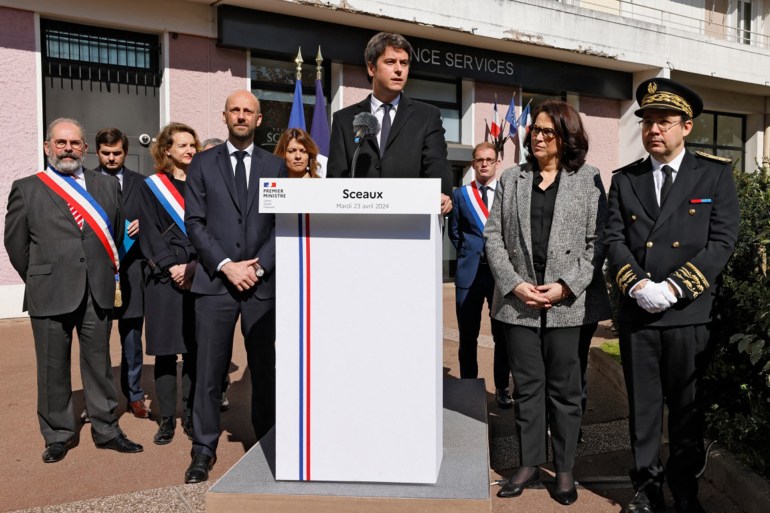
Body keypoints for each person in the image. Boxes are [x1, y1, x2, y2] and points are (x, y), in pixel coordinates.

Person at [605, 78, 739, 513]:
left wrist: (676, 287)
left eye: (664, 121)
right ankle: (646, 488)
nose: (654, 130)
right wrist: (640, 285)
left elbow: (721, 242)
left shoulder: (714, 174)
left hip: (689, 313)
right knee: (642, 409)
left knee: (686, 410)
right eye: (647, 122)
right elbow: (613, 239)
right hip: (639, 311)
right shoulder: (626, 180)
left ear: (687, 126)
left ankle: (685, 488)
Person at [484, 100, 611, 505]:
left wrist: (566, 286)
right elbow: (493, 237)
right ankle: (528, 462)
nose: (537, 136)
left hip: (567, 304)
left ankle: (566, 467)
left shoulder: (588, 179)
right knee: (527, 387)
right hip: (518, 302)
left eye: (547, 131)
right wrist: (514, 284)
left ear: (566, 137)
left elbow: (598, 243)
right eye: (534, 130)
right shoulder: (512, 178)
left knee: (565, 389)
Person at [4, 118, 143, 463]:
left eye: (75, 143)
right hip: (49, 290)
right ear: (48, 146)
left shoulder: (107, 186)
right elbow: (16, 244)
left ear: (85, 148)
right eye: (60, 142)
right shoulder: (27, 188)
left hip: (96, 289)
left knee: (98, 363)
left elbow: (114, 234)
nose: (68, 148)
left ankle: (107, 428)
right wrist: (39, 275)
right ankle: (58, 434)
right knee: (52, 367)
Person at [183, 90, 287, 483]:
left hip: (261, 286)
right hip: (215, 286)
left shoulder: (276, 166)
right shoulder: (203, 164)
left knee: (265, 369)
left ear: (259, 120)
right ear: (225, 116)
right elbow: (194, 222)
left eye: (249, 111)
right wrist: (227, 266)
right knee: (209, 371)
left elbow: (283, 223)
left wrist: (258, 268)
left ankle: (269, 440)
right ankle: (203, 448)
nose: (242, 116)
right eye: (235, 110)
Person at [327, 32, 453, 214]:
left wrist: (441, 193)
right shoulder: (344, 119)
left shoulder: (427, 116)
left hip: (411, 222)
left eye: (404, 63)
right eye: (390, 62)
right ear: (371, 68)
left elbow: (437, 163)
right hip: (358, 224)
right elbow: (336, 178)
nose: (399, 69)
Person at [139, 122, 200, 445]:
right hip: (163, 280)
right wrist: (171, 266)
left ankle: (190, 415)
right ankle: (166, 419)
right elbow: (148, 231)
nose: (190, 150)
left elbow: (210, 231)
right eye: (183, 145)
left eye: (193, 145)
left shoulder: (204, 184)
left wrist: (191, 266)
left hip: (197, 275)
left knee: (193, 351)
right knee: (164, 353)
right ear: (167, 151)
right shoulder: (152, 187)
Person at [449, 142, 512, 409]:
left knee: (503, 336)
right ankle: (467, 389)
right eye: (479, 160)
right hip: (469, 275)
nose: (484, 164)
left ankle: (502, 389)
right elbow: (455, 233)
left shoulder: (509, 193)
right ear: (473, 164)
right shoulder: (460, 195)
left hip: (500, 275)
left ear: (498, 163)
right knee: (468, 336)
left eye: (489, 159)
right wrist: (468, 254)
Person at [94, 127, 150, 419]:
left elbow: (156, 220)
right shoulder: (83, 184)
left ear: (125, 152)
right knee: (96, 343)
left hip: (132, 273)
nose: (112, 158)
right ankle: (99, 401)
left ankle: (135, 396)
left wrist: (144, 224)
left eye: (117, 153)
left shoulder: (142, 183)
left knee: (132, 340)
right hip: (96, 275)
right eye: (106, 153)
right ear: (97, 152)